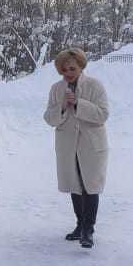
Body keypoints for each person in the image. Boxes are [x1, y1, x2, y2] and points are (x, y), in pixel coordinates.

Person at [43, 48, 109, 249]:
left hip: (91, 144)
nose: (68, 73)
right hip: (67, 145)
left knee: (90, 186)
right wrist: (62, 106)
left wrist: (79, 103)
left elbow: (103, 114)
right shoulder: (56, 89)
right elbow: (49, 118)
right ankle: (79, 226)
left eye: (72, 68)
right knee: (75, 185)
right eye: (64, 70)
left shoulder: (94, 86)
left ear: (81, 66)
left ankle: (89, 230)